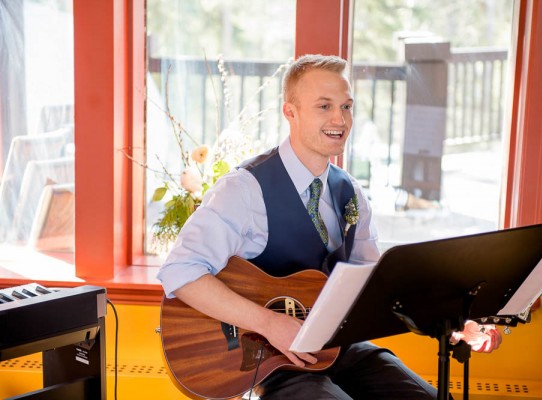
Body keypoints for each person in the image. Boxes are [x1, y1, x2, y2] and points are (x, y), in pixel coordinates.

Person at [158, 54, 501, 400]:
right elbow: (181, 272)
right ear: (290, 112)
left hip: (340, 346)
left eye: (347, 106)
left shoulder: (351, 193)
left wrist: (454, 322)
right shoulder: (244, 189)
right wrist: (269, 323)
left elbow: (378, 288)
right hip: (272, 360)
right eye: (324, 106)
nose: (340, 119)